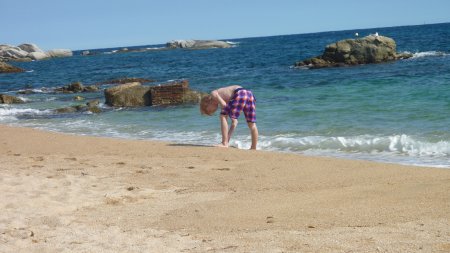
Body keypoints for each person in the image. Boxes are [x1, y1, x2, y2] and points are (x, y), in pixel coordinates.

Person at [200, 85, 258, 150]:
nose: (214, 111)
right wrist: (233, 123)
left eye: (210, 110)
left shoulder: (213, 94)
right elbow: (233, 120)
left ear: (207, 102)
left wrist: (226, 112)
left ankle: (224, 143)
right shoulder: (228, 99)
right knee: (251, 124)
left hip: (240, 93)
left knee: (222, 116)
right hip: (249, 94)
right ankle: (253, 147)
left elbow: (224, 105)